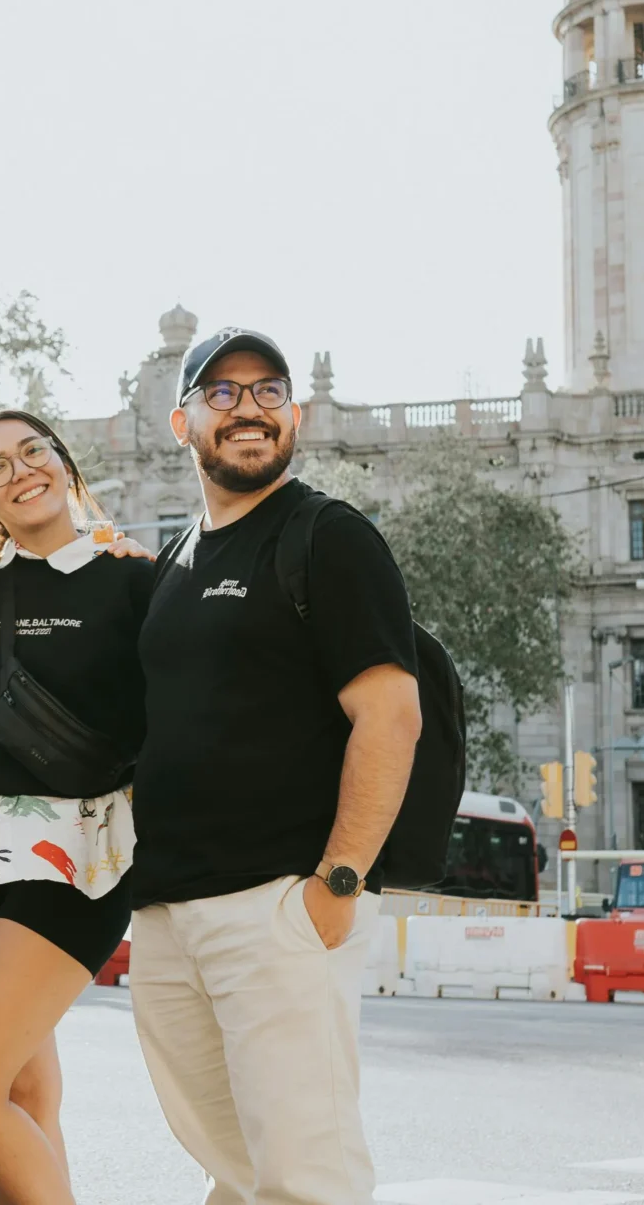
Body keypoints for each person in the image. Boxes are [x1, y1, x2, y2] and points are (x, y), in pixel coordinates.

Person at [125, 328, 423, 1205]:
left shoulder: (329, 536)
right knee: (239, 1168)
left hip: (279, 904)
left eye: (266, 390)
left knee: (304, 1172)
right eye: (221, 393)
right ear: (182, 423)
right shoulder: (175, 558)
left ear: (294, 414)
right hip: (171, 911)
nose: (247, 407)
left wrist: (336, 882)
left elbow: (390, 716)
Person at [0, 411, 149, 1205]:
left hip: (76, 854)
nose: (20, 471)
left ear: (63, 463)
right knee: (23, 1094)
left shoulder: (135, 578)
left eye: (33, 452)